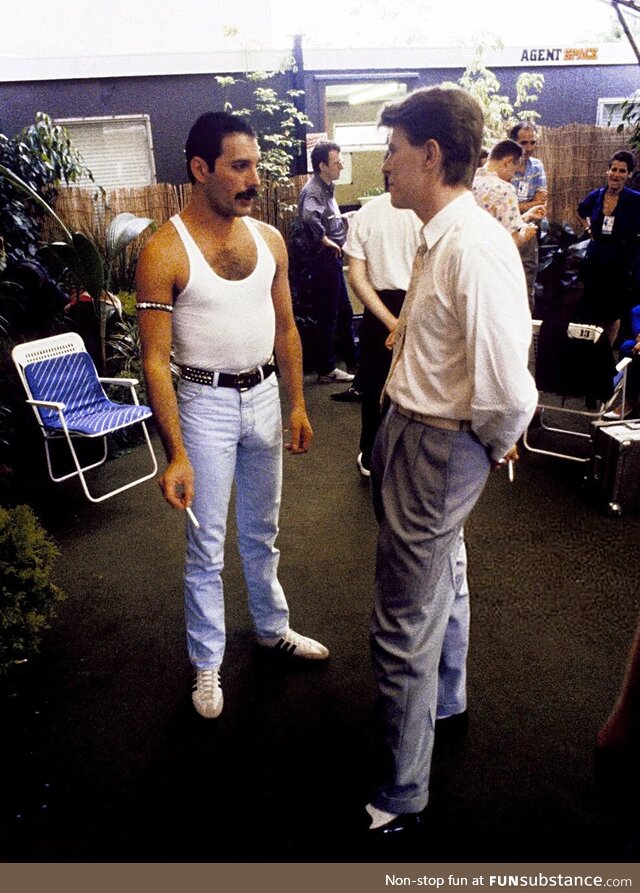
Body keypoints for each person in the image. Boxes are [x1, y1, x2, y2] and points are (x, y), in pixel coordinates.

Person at [365, 86, 538, 837]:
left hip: (438, 444)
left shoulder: (471, 243)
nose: (385, 165)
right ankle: (446, 702)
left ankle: (400, 797)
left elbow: (508, 386)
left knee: (401, 620)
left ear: (431, 155)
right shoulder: (444, 233)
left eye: (395, 151)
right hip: (416, 432)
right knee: (448, 575)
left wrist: (489, 443)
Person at [135, 111, 329, 720]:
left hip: (266, 398)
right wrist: (178, 453)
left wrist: (296, 401)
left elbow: (287, 328)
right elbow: (155, 360)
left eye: (255, 165)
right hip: (203, 405)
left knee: (262, 532)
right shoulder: (164, 250)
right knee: (207, 545)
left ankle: (272, 629)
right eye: (239, 166)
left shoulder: (269, 240)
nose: (253, 178)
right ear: (201, 169)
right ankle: (208, 664)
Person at [342, 188, 421, 477]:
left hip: (378, 311)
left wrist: (389, 321)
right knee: (418, 383)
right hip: (418, 304)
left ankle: (372, 453)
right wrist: (402, 320)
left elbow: (357, 278)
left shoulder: (366, 214)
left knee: (376, 384)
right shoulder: (427, 211)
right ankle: (410, 455)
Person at [298, 140, 358, 384]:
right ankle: (326, 368)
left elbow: (324, 216)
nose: (341, 166)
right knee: (329, 313)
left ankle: (353, 359)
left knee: (344, 311)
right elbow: (309, 216)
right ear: (322, 165)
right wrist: (324, 239)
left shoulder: (326, 188)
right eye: (337, 162)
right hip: (323, 259)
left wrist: (344, 219)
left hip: (331, 258)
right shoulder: (313, 190)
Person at [576, 150, 640, 346]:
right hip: (595, 258)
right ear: (607, 171)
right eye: (614, 169)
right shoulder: (596, 196)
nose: (616, 175)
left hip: (619, 262)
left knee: (612, 312)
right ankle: (591, 349)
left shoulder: (634, 199)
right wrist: (588, 230)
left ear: (629, 175)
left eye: (622, 171)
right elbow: (580, 211)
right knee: (591, 309)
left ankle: (607, 352)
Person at [472, 139, 546, 248]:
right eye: (514, 172)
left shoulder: (469, 182)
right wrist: (524, 235)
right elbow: (507, 243)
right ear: (508, 162)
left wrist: (527, 216)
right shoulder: (504, 189)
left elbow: (498, 223)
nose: (512, 177)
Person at [509, 122, 548, 309]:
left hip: (529, 229)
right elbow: (504, 207)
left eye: (532, 143)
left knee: (527, 278)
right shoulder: (505, 166)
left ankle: (526, 328)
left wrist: (518, 206)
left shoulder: (537, 166)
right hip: (506, 231)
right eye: (524, 143)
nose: (529, 148)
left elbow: (541, 203)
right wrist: (529, 205)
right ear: (512, 142)